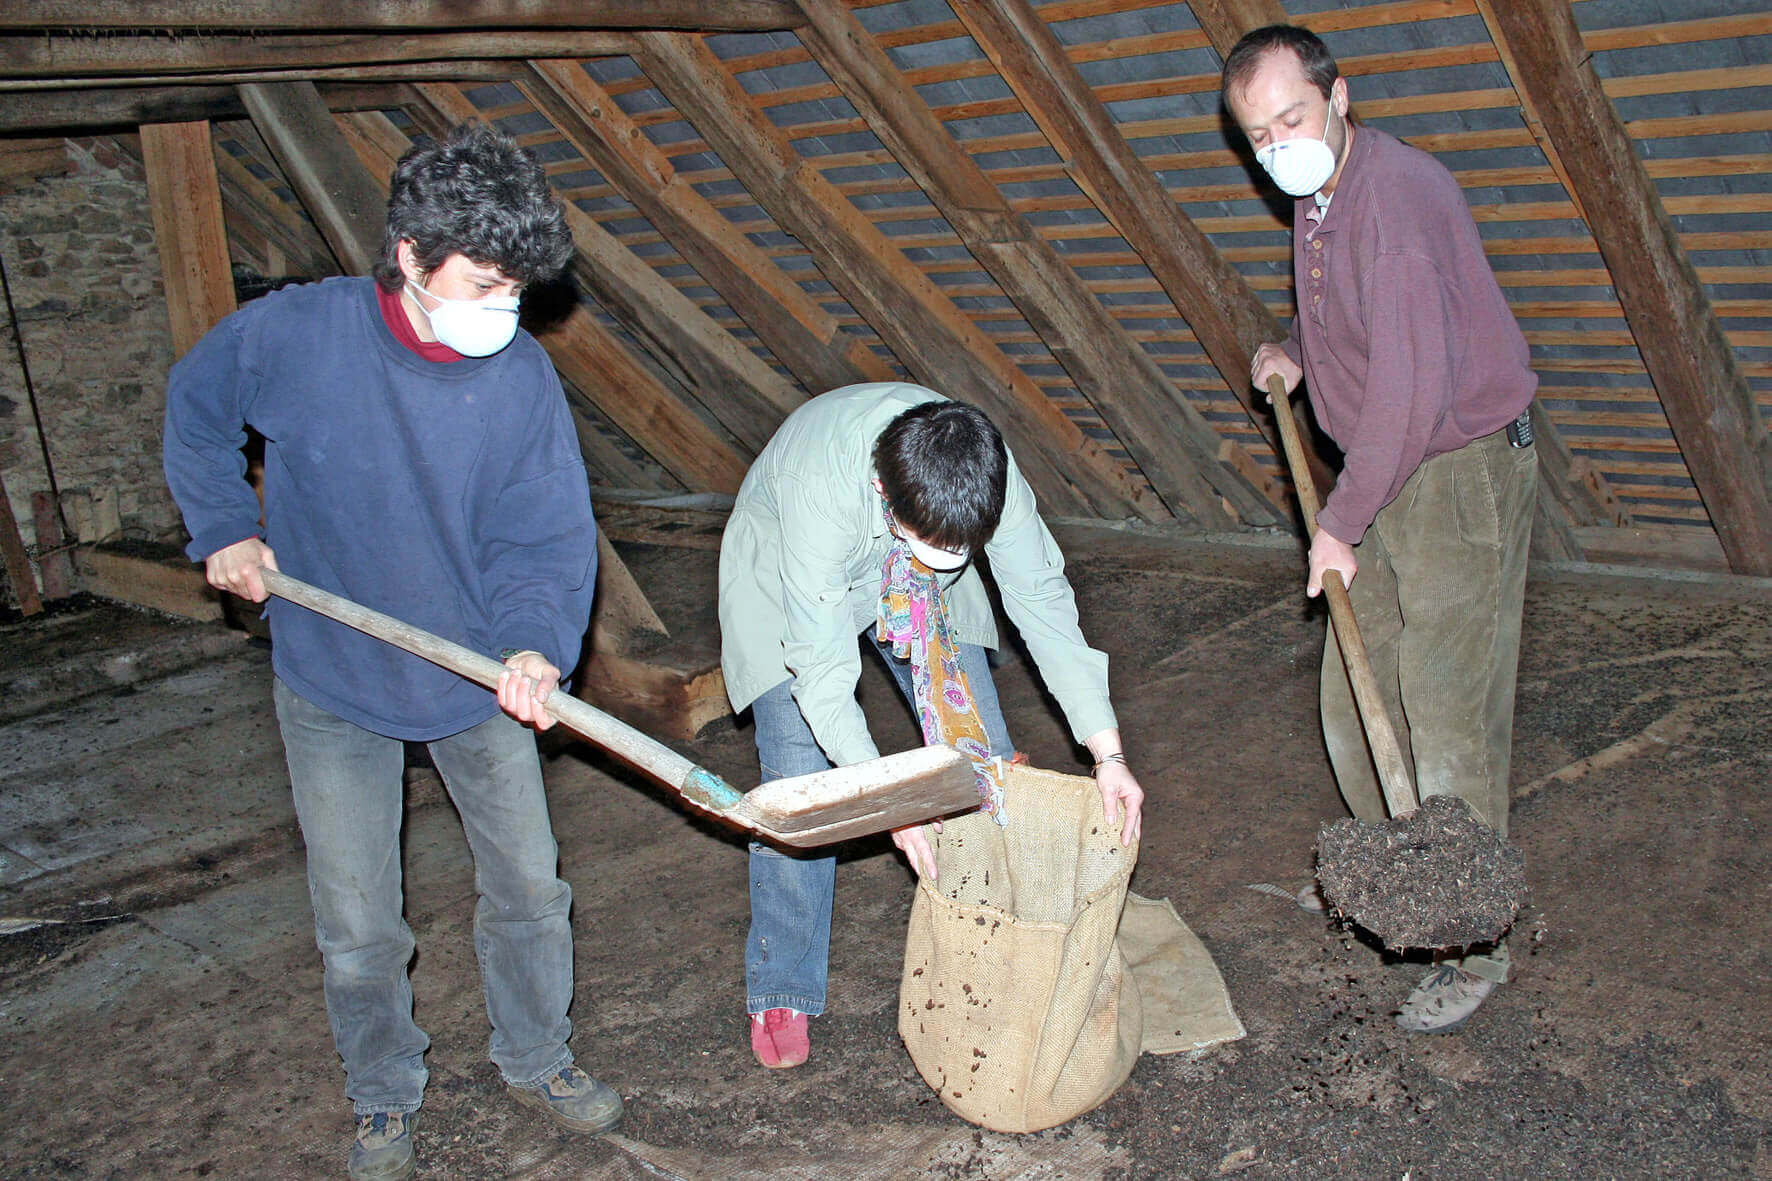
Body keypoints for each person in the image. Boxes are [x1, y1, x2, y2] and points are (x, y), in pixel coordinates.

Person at [163, 124, 618, 1179]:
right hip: (332, 670)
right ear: (410, 254)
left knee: (528, 891)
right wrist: (222, 523)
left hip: (473, 675)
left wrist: (533, 646)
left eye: (516, 287)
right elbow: (196, 407)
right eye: (482, 282)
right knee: (358, 918)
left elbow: (541, 533)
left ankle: (537, 1054)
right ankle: (381, 1093)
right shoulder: (298, 336)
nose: (502, 309)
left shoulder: (518, 381)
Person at [1223, 26, 1538, 1033]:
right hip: (1384, 466)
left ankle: (1472, 941)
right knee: (1352, 700)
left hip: (1453, 473)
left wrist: (1339, 521)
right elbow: (1347, 317)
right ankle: (1393, 883)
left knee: (1443, 712)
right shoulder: (1319, 196)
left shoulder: (1395, 205)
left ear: (1338, 97)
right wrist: (1295, 351)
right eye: (1257, 135)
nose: (1279, 145)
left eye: (1292, 118)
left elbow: (1411, 385)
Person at [717, 382, 1145, 1069]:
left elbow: (1041, 599)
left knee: (984, 764)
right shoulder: (821, 488)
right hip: (789, 575)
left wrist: (1109, 752)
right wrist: (888, 801)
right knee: (801, 781)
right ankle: (783, 983)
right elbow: (823, 674)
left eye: (959, 544)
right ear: (889, 497)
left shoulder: (983, 475)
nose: (942, 551)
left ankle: (1003, 947)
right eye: (930, 541)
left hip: (915, 581)